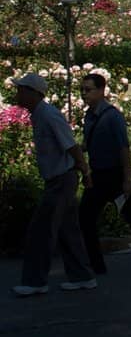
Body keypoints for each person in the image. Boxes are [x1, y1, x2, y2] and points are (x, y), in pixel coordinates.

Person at [11, 72, 96, 295]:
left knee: (41, 230)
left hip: (61, 180)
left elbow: (71, 146)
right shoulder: (38, 114)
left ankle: (34, 281)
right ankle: (82, 276)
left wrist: (85, 171)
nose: (17, 93)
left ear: (33, 93)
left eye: (21, 89)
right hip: (59, 178)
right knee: (68, 230)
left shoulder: (48, 115)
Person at [79, 72, 131, 274]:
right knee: (85, 218)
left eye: (88, 90)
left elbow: (123, 148)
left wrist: (127, 179)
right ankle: (96, 263)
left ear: (101, 91)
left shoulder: (112, 116)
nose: (84, 94)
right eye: (82, 90)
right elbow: (88, 143)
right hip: (98, 175)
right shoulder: (89, 116)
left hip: (116, 175)